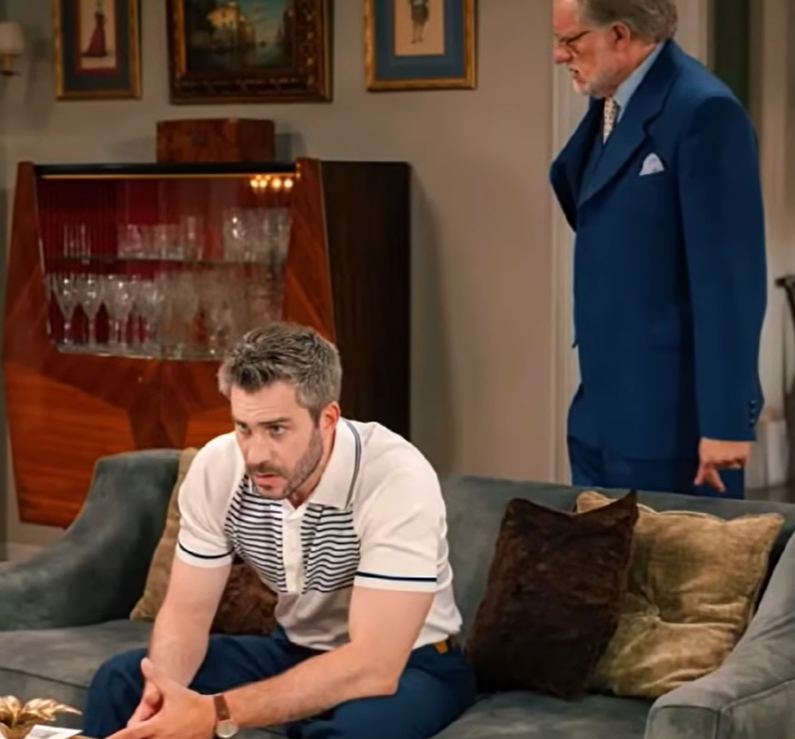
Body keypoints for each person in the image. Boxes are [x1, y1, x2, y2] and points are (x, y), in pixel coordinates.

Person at [82, 322, 475, 739]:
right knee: (120, 683)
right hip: (294, 649)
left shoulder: (394, 477)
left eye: (277, 429)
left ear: (328, 419)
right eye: (244, 427)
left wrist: (214, 712)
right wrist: (164, 698)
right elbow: (186, 615)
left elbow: (375, 665)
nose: (255, 455)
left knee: (349, 734)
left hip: (413, 664)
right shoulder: (218, 468)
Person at [550, 0, 767, 499]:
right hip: (599, 412)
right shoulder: (609, 103)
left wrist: (726, 423)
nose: (560, 56)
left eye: (571, 41)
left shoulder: (705, 112)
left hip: (673, 423)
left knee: (679, 550)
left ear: (620, 35)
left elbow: (730, 281)